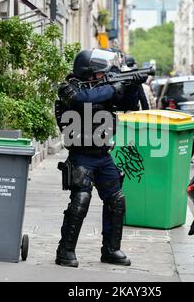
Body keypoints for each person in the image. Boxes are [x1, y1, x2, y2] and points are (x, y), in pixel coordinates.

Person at [54, 49, 145, 268]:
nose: (103, 77)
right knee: (80, 203)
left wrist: (132, 85)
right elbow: (81, 100)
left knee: (117, 200)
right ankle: (65, 251)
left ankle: (111, 250)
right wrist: (112, 87)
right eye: (99, 74)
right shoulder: (68, 88)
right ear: (87, 72)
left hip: (103, 155)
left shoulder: (103, 89)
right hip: (81, 156)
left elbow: (130, 106)